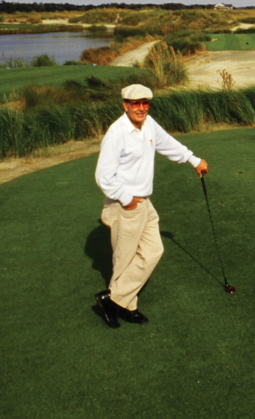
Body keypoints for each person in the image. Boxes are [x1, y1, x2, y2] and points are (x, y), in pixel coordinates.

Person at [93, 83, 208, 328]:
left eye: (146, 103)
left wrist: (193, 159)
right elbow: (103, 176)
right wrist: (127, 199)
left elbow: (167, 144)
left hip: (144, 203)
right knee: (124, 259)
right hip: (125, 205)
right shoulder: (116, 133)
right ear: (125, 104)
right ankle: (125, 305)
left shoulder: (149, 124)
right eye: (136, 103)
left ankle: (112, 300)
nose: (142, 108)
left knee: (153, 251)